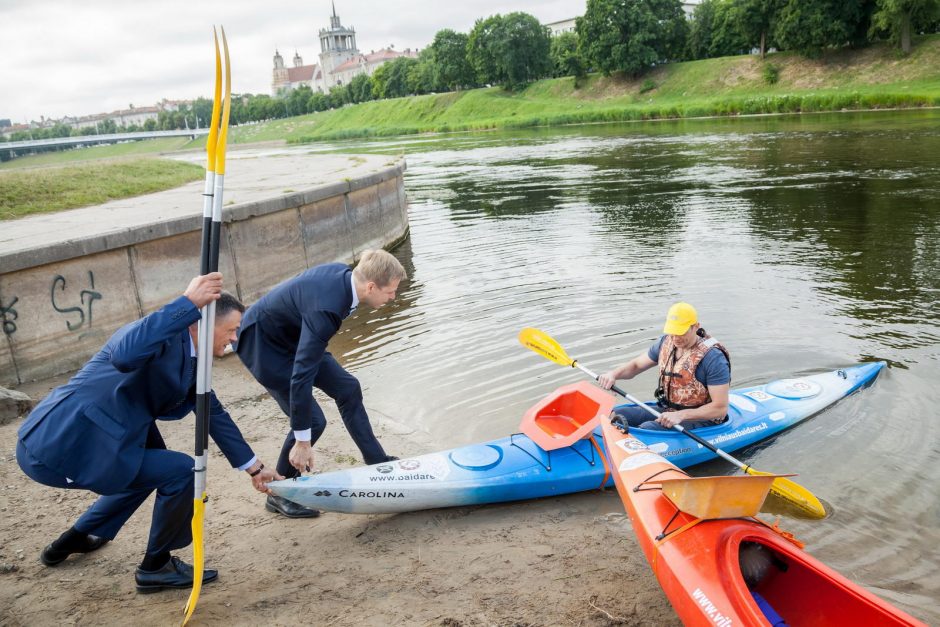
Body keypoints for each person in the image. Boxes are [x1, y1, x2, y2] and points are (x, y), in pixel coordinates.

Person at [16, 273, 283, 593]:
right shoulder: (155, 337)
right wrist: (186, 304)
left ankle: (73, 539)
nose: (234, 339)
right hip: (61, 446)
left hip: (95, 444)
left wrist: (254, 468)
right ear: (202, 323)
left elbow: (212, 412)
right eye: (231, 330)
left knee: (147, 468)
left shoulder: (194, 360)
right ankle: (156, 565)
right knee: (182, 471)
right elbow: (124, 354)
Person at [234, 249, 406, 518]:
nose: (393, 297)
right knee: (313, 422)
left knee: (348, 388)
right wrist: (303, 442)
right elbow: (301, 375)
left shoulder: (347, 279)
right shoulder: (327, 307)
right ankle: (280, 492)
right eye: (390, 291)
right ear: (371, 286)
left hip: (296, 335)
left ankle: (376, 460)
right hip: (264, 347)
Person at [598, 302, 730, 430]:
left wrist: (680, 415)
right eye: (672, 332)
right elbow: (636, 365)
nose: (675, 338)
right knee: (617, 413)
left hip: (701, 419)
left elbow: (720, 408)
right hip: (668, 409)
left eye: (681, 332)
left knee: (647, 428)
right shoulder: (665, 343)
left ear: (695, 327)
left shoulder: (713, 358)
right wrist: (613, 374)